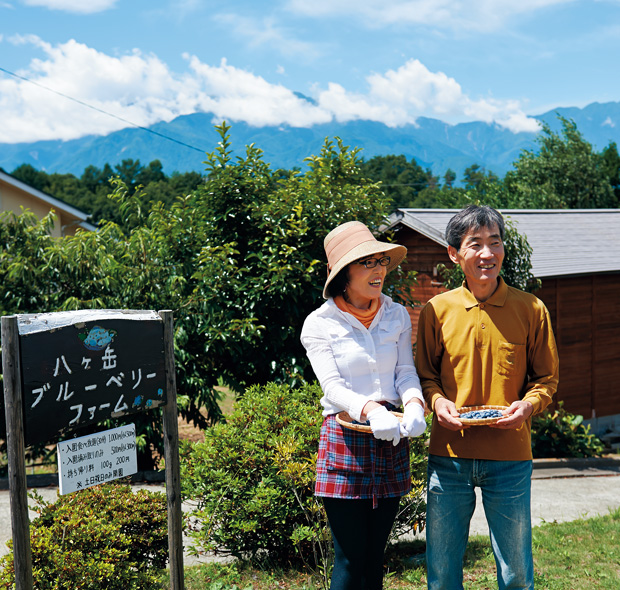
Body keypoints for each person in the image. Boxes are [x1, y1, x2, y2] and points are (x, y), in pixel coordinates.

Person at [415, 205, 559, 590]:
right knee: (442, 575)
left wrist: (527, 405)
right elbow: (426, 375)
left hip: (510, 458)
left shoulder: (531, 309)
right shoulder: (437, 310)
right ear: (453, 253)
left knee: (516, 575)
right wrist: (437, 401)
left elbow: (546, 378)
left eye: (494, 243)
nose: (486, 253)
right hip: (448, 457)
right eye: (474, 244)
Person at [300, 220, 427, 590]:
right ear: (342, 273)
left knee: (375, 557)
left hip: (391, 437)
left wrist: (415, 404)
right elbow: (332, 388)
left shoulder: (397, 314)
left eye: (381, 261)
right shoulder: (319, 324)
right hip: (345, 442)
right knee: (350, 560)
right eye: (367, 262)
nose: (378, 270)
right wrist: (372, 410)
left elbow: (404, 371)